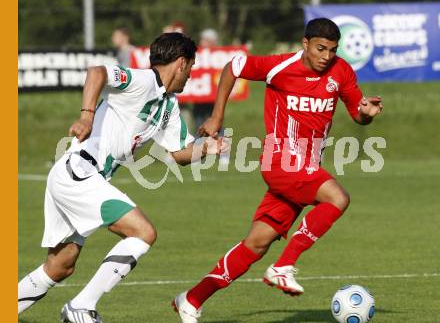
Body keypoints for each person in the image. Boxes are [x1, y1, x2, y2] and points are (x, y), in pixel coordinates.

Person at [172, 18, 383, 323]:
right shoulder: (280, 67)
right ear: (305, 43)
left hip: (306, 167)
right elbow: (234, 66)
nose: (326, 56)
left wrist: (366, 114)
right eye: (320, 48)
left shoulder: (342, 72)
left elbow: (357, 113)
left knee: (256, 244)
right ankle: (284, 265)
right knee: (338, 198)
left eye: (332, 50)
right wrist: (217, 117)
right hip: (281, 160)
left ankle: (191, 299)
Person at [18, 33, 226, 323]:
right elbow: (97, 72)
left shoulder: (169, 105)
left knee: (60, 265)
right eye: (191, 66)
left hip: (80, 178)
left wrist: (209, 149)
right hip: (79, 173)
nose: (191, 74)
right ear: (181, 63)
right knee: (143, 232)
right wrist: (88, 115)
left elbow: (179, 153)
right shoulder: (142, 81)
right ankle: (81, 307)